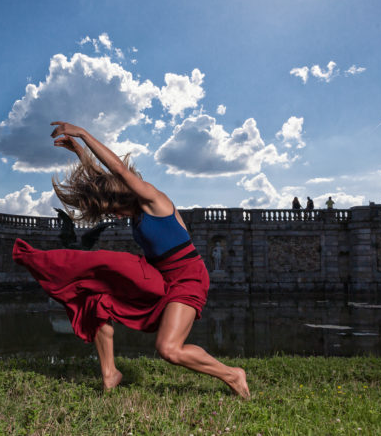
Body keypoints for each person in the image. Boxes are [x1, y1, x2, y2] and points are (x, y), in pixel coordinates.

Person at [13, 121, 249, 398]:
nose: (116, 216)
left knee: (169, 349)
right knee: (98, 300)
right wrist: (80, 154)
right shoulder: (135, 211)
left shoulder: (154, 200)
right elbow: (108, 181)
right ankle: (110, 373)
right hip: (159, 278)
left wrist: (85, 135)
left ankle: (232, 374)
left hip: (188, 278)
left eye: (115, 210)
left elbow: (119, 172)